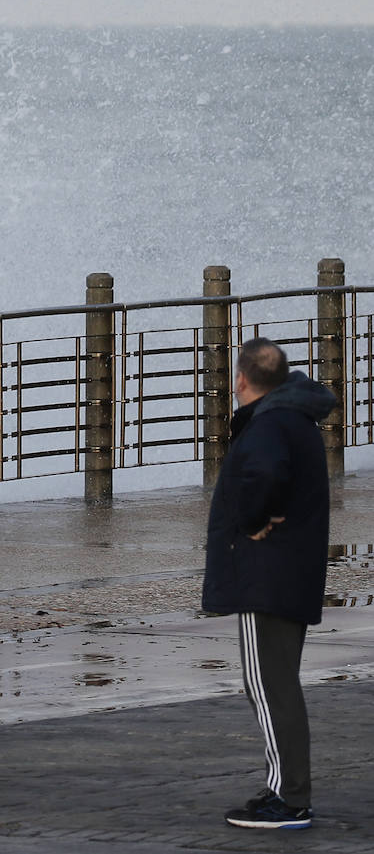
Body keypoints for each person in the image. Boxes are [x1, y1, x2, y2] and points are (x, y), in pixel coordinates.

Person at [202, 337, 336, 830]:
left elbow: (262, 472)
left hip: (267, 574)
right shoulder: (294, 417)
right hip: (289, 573)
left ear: (240, 380)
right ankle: (283, 790)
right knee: (277, 684)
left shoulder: (268, 424)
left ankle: (289, 800)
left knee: (268, 685)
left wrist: (253, 519)